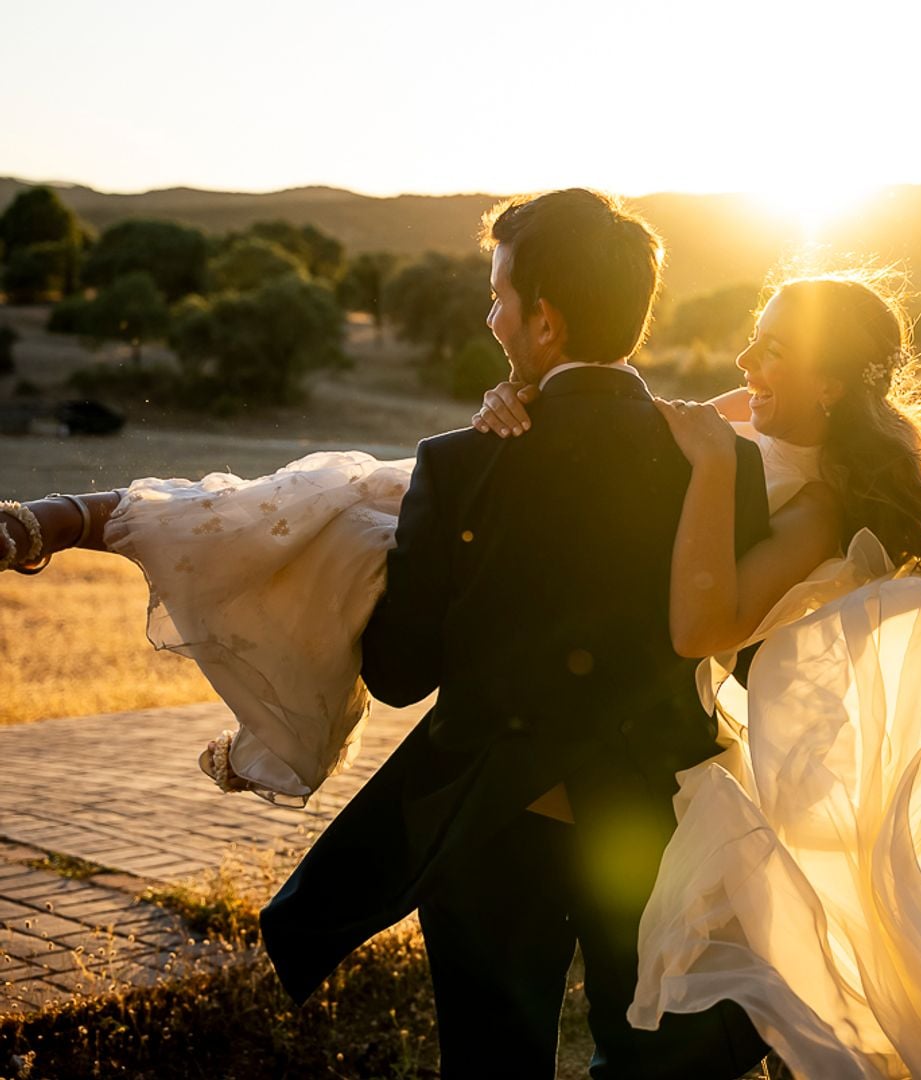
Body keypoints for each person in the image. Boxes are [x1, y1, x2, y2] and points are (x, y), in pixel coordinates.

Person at [0, 188, 774, 1078]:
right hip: (658, 818)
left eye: (499, 295)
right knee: (665, 1067)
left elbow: (402, 674)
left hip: (488, 827)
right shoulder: (720, 458)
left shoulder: (463, 462)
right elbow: (741, 637)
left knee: (490, 1065)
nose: (493, 316)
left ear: (547, 322)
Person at [471, 271, 921, 1078]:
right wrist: (516, 404)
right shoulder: (778, 423)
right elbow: (632, 416)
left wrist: (717, 468)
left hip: (706, 770)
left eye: (773, 348)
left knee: (679, 1032)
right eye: (754, 338)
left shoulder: (821, 504)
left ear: (830, 381)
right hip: (653, 758)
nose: (745, 358)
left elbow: (700, 630)